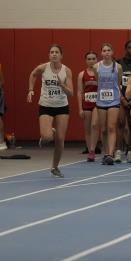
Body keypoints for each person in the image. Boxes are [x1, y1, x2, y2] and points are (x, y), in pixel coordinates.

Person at [27, 44, 74, 177]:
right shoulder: (43, 68)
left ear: (61, 55)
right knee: (47, 137)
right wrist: (30, 89)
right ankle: (50, 132)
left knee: (60, 139)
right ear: (49, 55)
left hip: (62, 106)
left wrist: (62, 85)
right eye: (51, 52)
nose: (54, 54)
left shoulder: (66, 71)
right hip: (46, 105)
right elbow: (33, 74)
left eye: (56, 52)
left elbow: (71, 93)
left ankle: (55, 167)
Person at [95, 43, 123, 165]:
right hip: (101, 100)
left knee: (111, 127)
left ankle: (111, 154)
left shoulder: (118, 67)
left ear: (112, 52)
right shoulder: (96, 67)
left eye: (108, 50)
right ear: (101, 53)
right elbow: (98, 82)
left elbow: (119, 82)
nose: (106, 52)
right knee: (104, 129)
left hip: (114, 100)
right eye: (104, 50)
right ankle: (106, 153)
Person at [76, 51, 100, 162]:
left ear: (97, 60)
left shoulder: (100, 73)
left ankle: (93, 149)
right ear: (86, 61)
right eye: (89, 59)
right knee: (87, 128)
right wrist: (80, 108)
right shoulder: (82, 74)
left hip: (98, 103)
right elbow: (79, 92)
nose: (91, 61)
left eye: (93, 59)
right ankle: (90, 150)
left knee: (94, 125)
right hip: (86, 104)